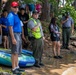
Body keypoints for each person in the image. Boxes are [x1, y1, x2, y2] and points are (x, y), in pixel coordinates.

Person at [7, 1, 24, 74]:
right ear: (11, 7)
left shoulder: (16, 15)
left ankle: (17, 66)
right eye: (14, 7)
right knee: (14, 52)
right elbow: (10, 27)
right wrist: (13, 38)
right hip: (14, 34)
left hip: (18, 34)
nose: (16, 8)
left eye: (17, 7)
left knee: (17, 52)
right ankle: (13, 68)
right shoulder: (11, 15)